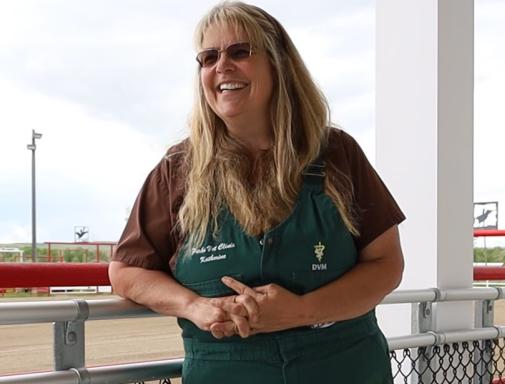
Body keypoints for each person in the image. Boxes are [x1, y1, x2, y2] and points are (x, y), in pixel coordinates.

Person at [109, 1, 405, 383]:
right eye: (208, 57)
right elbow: (126, 272)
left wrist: (302, 311)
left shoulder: (336, 154)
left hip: (342, 368)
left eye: (240, 52)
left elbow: (386, 264)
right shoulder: (178, 168)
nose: (222, 66)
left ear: (278, 63)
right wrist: (194, 306)